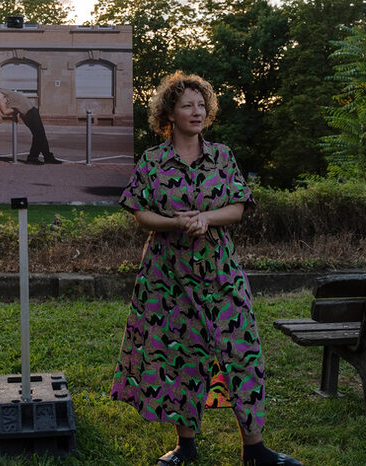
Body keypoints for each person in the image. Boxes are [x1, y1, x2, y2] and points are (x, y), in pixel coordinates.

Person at [111, 72, 301, 466]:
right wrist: (176, 222)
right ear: (170, 113)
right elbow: (140, 214)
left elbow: (239, 206)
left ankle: (255, 449)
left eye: (201, 105)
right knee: (177, 354)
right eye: (187, 106)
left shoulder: (222, 156)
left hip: (220, 270)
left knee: (243, 351)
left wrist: (206, 219)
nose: (196, 112)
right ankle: (186, 446)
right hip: (167, 275)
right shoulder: (152, 160)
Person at [0, 81, 62, 164]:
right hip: (28, 113)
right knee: (39, 135)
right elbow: (4, 111)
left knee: (39, 135)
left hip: (30, 111)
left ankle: (45, 157)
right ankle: (35, 158)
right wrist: (17, 108)